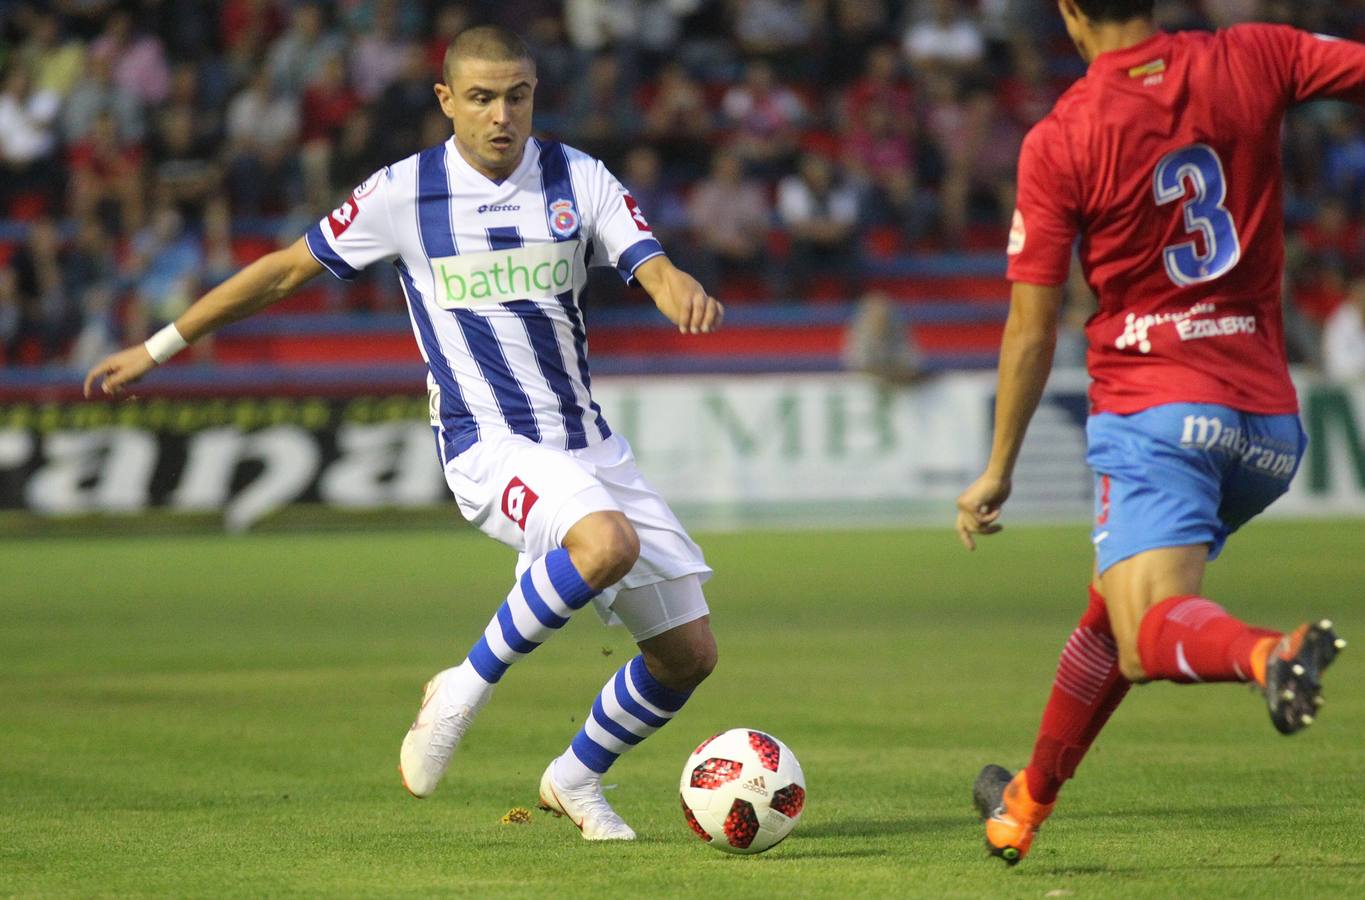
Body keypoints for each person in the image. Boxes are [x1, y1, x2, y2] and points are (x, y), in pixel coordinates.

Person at [84, 25, 724, 843]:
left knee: (688, 656)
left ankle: (574, 777)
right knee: (605, 543)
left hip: (585, 441)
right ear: (446, 100)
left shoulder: (577, 176)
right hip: (486, 442)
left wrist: (673, 288)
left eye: (517, 96)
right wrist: (158, 345)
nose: (501, 116)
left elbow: (649, 259)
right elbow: (283, 270)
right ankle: (460, 688)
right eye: (483, 98)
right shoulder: (403, 193)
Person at [954, 0, 1356, 865]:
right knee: (1111, 611)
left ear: (1067, 13)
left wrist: (996, 469)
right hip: (1267, 431)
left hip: (1155, 411)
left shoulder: (1062, 137)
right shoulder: (1255, 55)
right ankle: (1022, 804)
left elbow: (1031, 328)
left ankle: (1267, 655)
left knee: (1143, 638)